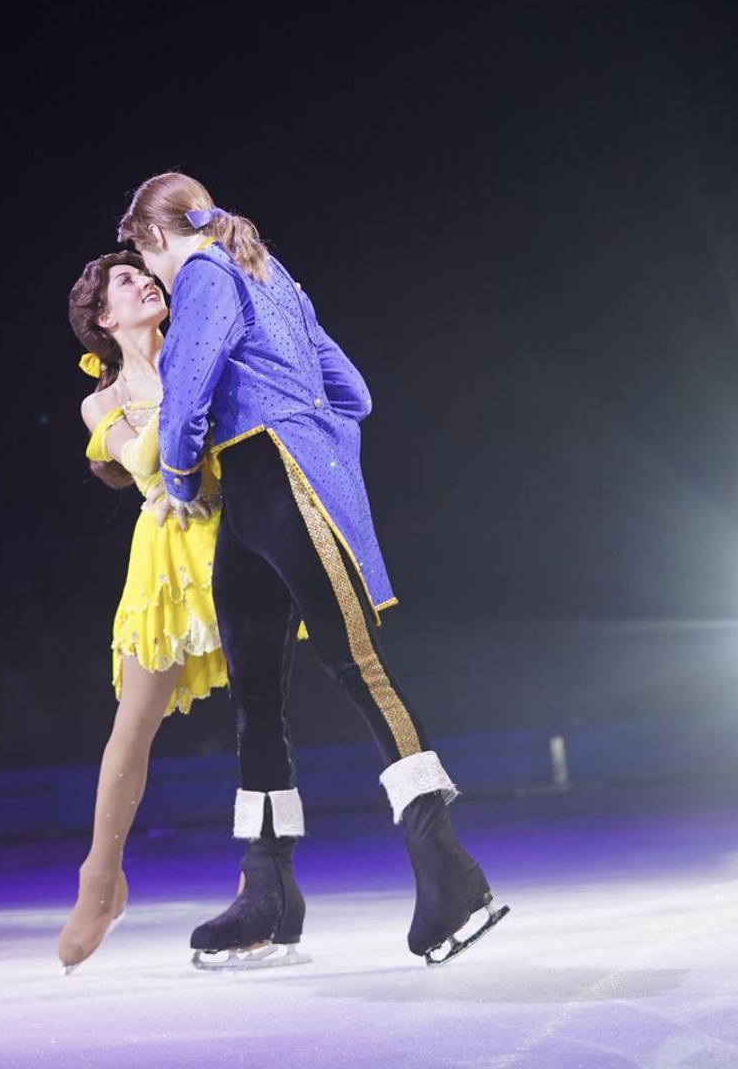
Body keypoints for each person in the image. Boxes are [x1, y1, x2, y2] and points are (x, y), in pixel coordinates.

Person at [117, 173, 508, 967]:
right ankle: (268, 893)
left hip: (277, 483)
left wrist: (185, 480)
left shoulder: (203, 273)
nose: (154, 279)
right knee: (256, 697)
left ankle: (450, 874)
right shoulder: (269, 273)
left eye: (142, 260)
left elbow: (188, 388)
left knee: (358, 664)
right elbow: (353, 393)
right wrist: (307, 431)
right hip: (262, 497)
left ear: (154, 238)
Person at [57, 251, 228, 974]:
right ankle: (100, 879)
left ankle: (265, 869)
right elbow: (149, 466)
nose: (145, 281)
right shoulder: (103, 401)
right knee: (134, 722)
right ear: (103, 318)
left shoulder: (203, 341)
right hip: (165, 558)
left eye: (143, 273)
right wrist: (184, 381)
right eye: (126, 282)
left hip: (234, 533)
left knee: (266, 704)